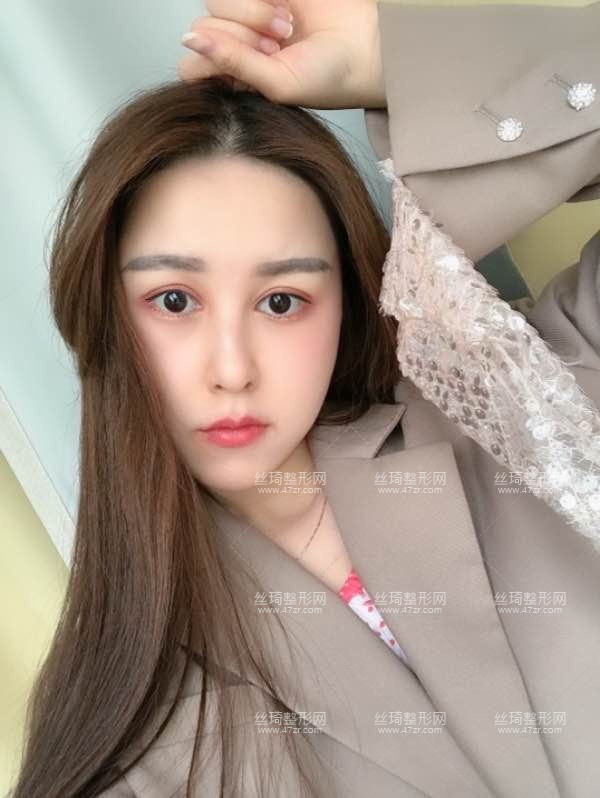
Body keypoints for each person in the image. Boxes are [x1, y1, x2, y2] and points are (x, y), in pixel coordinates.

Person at [9, 1, 600, 797]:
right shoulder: (131, 739)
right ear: (105, 316)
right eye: (174, 301)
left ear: (348, 304)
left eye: (282, 301)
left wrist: (396, 57)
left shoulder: (535, 396)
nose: (232, 370)